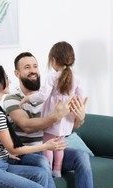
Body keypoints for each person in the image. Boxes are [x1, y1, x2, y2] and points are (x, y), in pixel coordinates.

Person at [3, 51, 109, 188]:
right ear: (17, 74)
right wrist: (55, 116)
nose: (33, 71)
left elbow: (69, 127)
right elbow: (26, 126)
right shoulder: (12, 99)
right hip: (28, 153)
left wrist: (80, 117)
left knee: (81, 156)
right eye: (27, 67)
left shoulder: (50, 95)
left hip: (52, 147)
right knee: (44, 163)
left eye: (35, 66)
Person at [19, 41, 84, 178]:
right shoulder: (76, 79)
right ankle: (57, 170)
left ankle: (48, 170)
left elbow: (43, 96)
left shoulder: (52, 77)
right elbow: (80, 99)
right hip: (66, 118)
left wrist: (27, 98)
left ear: (53, 60)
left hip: (54, 115)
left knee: (48, 144)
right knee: (59, 144)